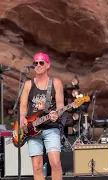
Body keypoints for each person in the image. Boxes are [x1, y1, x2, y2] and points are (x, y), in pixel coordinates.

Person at [20, 52, 64, 180]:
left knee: (55, 163)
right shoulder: (28, 84)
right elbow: (23, 106)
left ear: (47, 65)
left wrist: (58, 113)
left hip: (50, 127)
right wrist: (22, 117)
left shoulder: (55, 82)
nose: (38, 65)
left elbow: (60, 105)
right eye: (35, 63)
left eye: (41, 62)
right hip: (32, 128)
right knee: (37, 166)